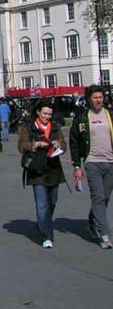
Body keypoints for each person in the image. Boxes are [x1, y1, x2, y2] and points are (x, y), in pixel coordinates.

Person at [18, 99, 66, 248]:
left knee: (52, 202)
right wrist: (36, 144)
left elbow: (64, 145)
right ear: (38, 112)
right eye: (44, 113)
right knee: (42, 205)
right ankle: (47, 236)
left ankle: (44, 223)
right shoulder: (29, 127)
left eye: (50, 114)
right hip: (36, 170)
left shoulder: (56, 127)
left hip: (53, 169)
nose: (47, 116)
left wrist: (59, 144)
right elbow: (21, 146)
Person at [70, 84, 113, 249]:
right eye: (95, 97)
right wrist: (76, 166)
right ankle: (104, 234)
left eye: (100, 97)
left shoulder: (109, 114)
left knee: (105, 197)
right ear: (89, 99)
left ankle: (92, 222)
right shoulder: (82, 117)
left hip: (110, 162)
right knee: (98, 197)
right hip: (92, 161)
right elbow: (74, 141)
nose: (98, 100)